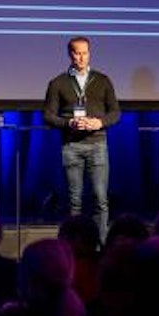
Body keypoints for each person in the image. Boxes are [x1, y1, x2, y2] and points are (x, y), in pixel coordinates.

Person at [42, 35, 121, 240]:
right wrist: (69, 123)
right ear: (70, 54)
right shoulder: (58, 83)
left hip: (97, 145)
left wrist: (99, 123)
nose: (81, 57)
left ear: (89, 54)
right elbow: (48, 116)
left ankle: (100, 246)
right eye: (77, 53)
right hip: (71, 147)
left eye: (85, 53)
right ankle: (74, 246)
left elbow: (115, 113)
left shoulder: (102, 80)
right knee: (74, 201)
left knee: (100, 200)